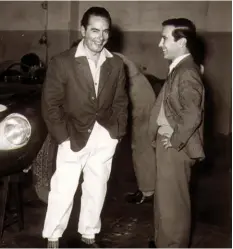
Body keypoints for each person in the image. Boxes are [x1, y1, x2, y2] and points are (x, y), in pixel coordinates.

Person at [41, 6, 128, 248]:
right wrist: (63, 138)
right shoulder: (62, 62)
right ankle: (53, 237)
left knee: (97, 186)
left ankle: (89, 233)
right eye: (94, 30)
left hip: (105, 134)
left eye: (105, 32)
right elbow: (51, 105)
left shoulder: (116, 64)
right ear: (82, 30)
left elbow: (121, 101)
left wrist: (117, 134)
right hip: (73, 135)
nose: (100, 37)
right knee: (63, 188)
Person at [148, 18, 205, 248]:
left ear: (181, 42)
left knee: (174, 206)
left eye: (164, 38)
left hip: (175, 148)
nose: (160, 43)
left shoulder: (187, 72)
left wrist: (175, 140)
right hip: (168, 144)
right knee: (164, 202)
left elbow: (193, 114)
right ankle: (162, 242)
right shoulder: (179, 67)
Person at [114, 53, 157, 204]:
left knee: (141, 146)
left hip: (139, 97)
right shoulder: (107, 55)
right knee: (141, 145)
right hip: (137, 93)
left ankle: (148, 191)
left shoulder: (108, 58)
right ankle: (148, 188)